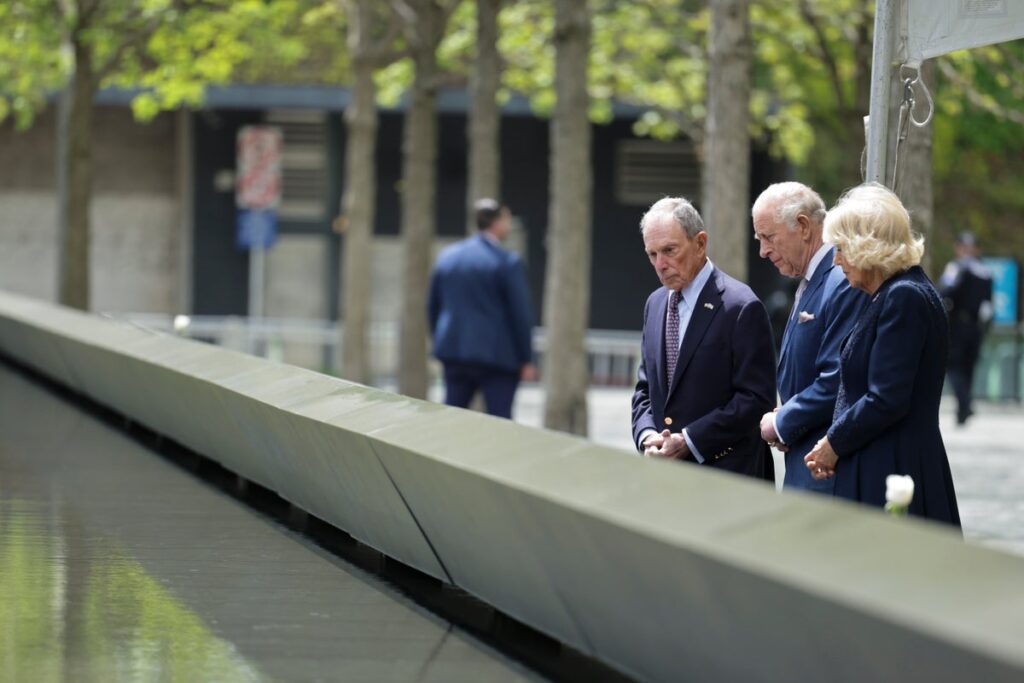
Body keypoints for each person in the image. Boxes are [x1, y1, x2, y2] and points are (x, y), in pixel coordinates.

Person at [805, 183, 960, 527]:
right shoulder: (893, 293)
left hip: (892, 466)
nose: (837, 260)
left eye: (842, 248)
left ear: (868, 246)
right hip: (885, 462)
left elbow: (886, 397)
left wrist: (834, 442)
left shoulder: (904, 297)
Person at [631, 197, 777, 480]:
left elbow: (756, 398)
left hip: (728, 477)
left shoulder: (740, 306)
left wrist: (689, 440)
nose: (660, 264)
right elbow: (645, 388)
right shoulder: (656, 303)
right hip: (666, 477)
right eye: (652, 254)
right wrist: (647, 436)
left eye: (670, 251)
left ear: (700, 243)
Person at [752, 182, 868, 493]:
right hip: (807, 462)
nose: (762, 251)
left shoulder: (841, 277)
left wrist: (782, 422)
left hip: (827, 469)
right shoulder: (813, 277)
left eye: (768, 237)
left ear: (803, 226)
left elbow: (839, 377)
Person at [428, 199, 535, 418]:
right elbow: (520, 313)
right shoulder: (507, 262)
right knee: (500, 422)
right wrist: (526, 358)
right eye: (506, 219)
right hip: (497, 356)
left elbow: (432, 305)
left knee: (452, 418)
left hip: (455, 352)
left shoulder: (448, 257)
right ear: (497, 223)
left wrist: (440, 338)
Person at [938, 231, 993, 425]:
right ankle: (963, 410)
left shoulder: (957, 267)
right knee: (967, 368)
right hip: (975, 326)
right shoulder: (985, 271)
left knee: (953, 365)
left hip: (958, 323)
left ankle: (965, 403)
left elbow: (946, 290)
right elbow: (988, 305)